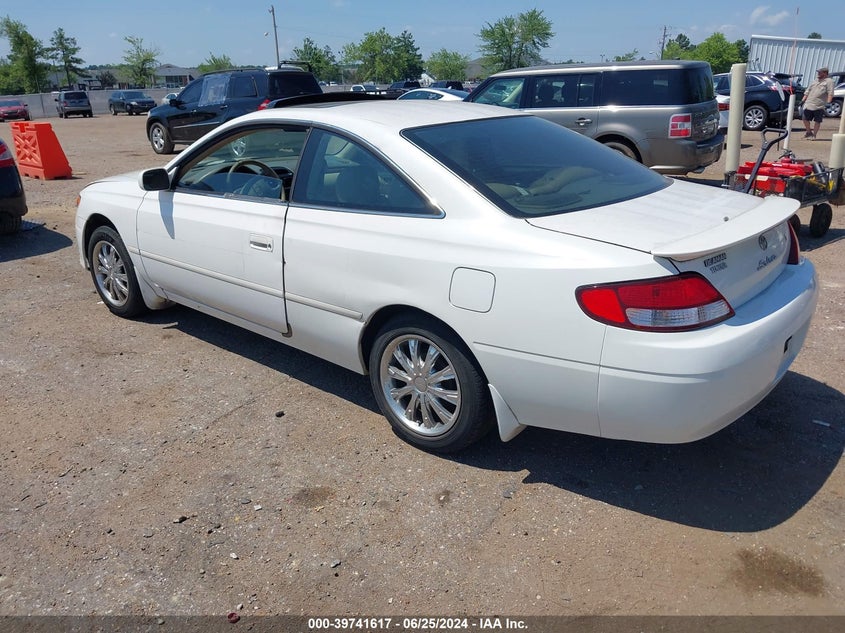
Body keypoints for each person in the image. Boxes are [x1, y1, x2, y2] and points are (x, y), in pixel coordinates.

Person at [801, 67, 835, 139]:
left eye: (820, 72)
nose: (818, 73)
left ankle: (814, 135)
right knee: (804, 118)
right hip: (809, 103)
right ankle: (809, 132)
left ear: (825, 73)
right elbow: (807, 91)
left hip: (819, 105)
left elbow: (830, 92)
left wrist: (828, 102)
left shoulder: (829, 81)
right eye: (818, 72)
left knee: (817, 121)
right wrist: (803, 100)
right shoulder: (815, 81)